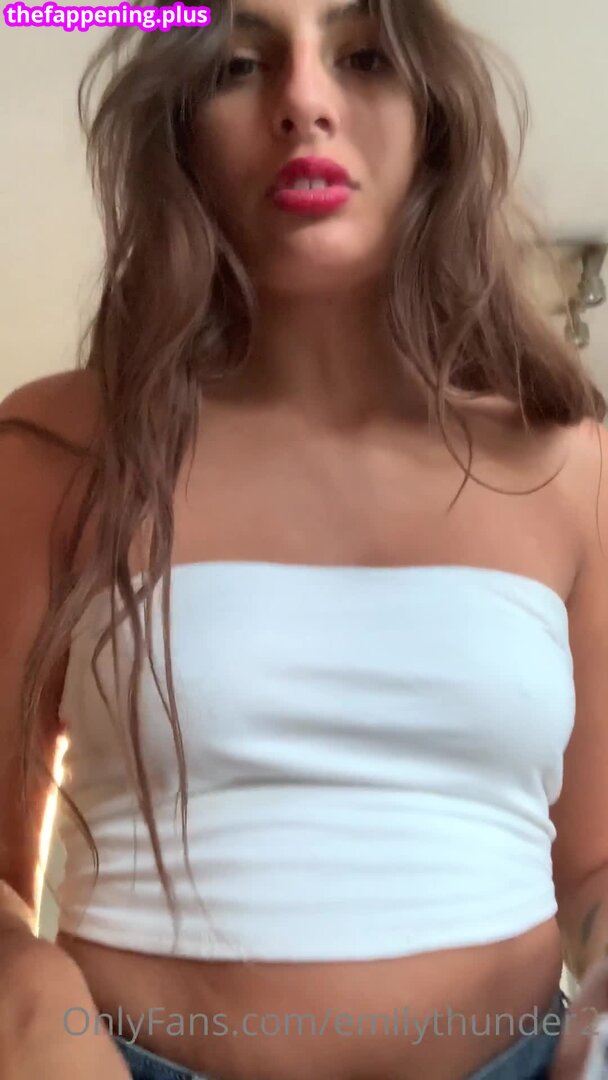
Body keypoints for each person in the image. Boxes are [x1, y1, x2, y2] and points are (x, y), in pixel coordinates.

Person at [2, 0, 608, 1078]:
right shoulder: (53, 450)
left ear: (433, 117)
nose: (304, 103)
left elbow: (594, 869)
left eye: (363, 56)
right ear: (178, 128)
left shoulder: (570, 465)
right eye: (239, 64)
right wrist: (30, 994)